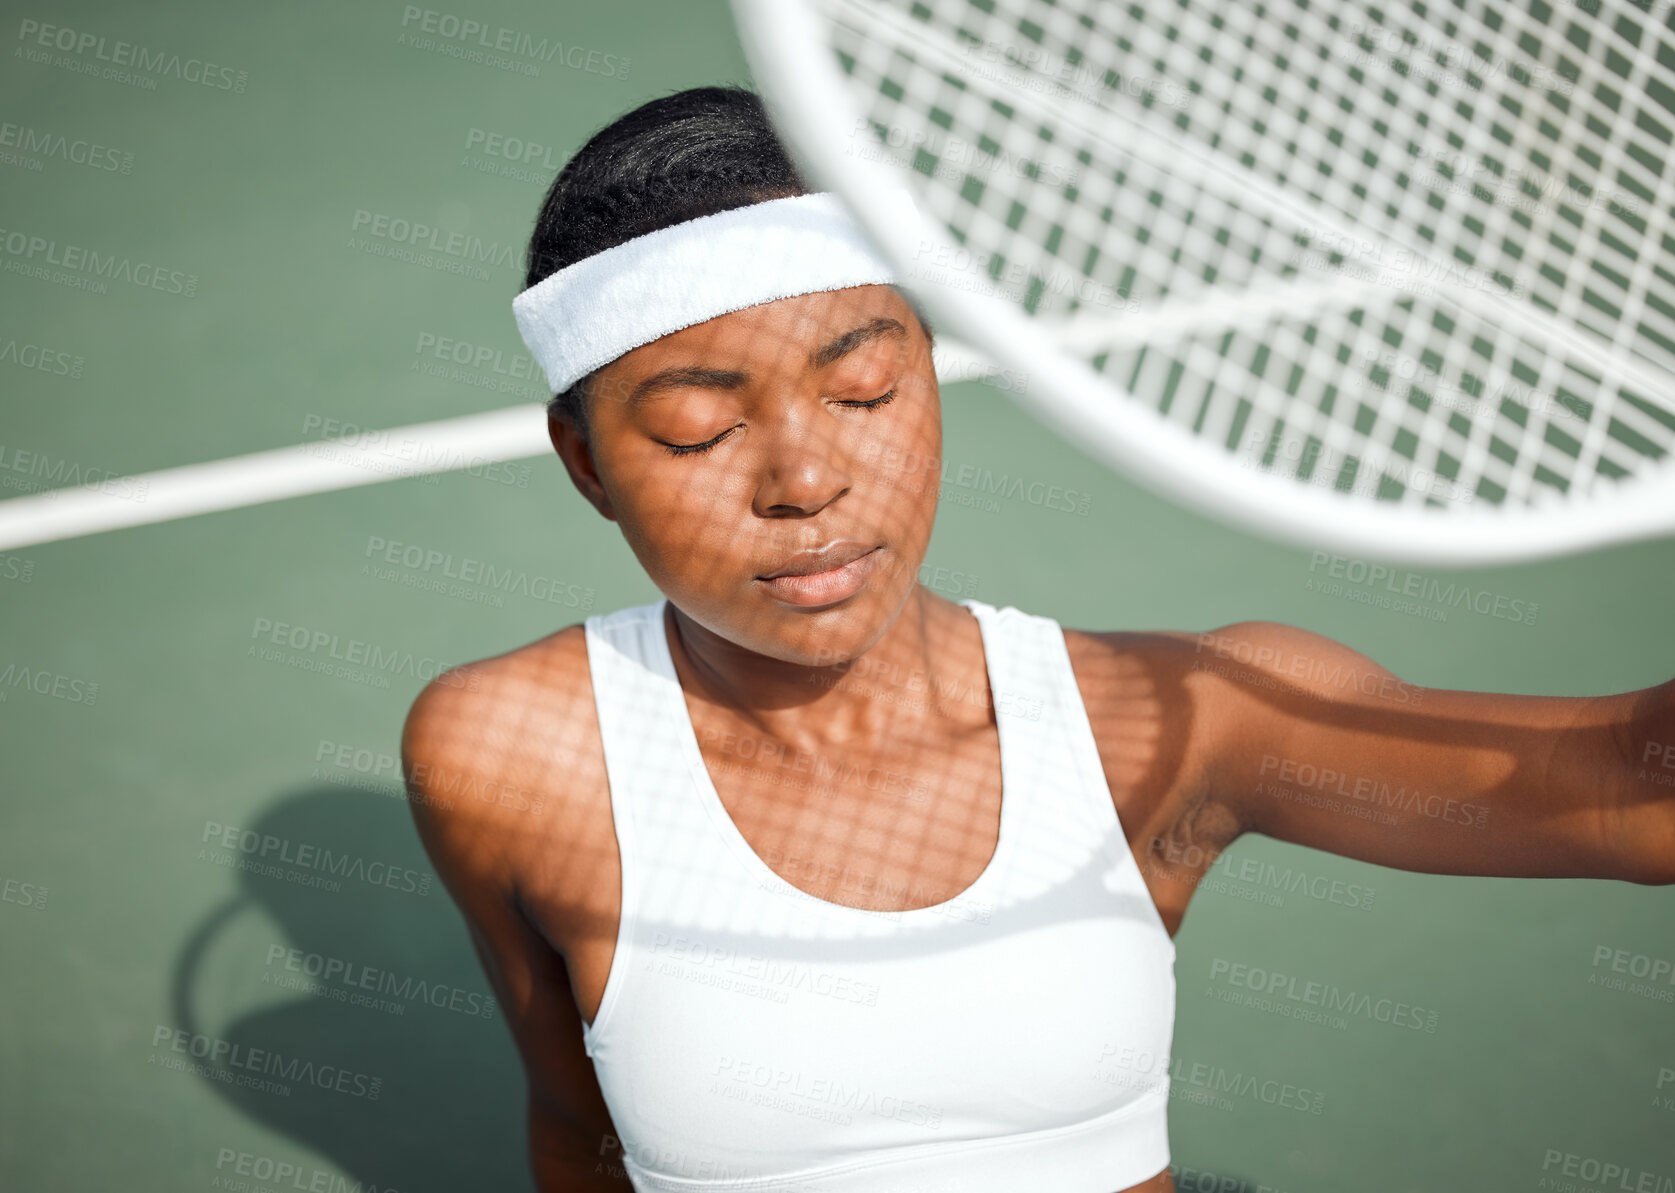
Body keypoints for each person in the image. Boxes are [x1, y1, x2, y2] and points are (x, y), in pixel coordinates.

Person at [400, 85, 1675, 1193]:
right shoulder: (510, 752)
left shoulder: (1177, 720)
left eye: (863, 391)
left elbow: (1630, 796)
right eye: (694, 427)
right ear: (587, 465)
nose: (805, 479)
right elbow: (576, 1131)